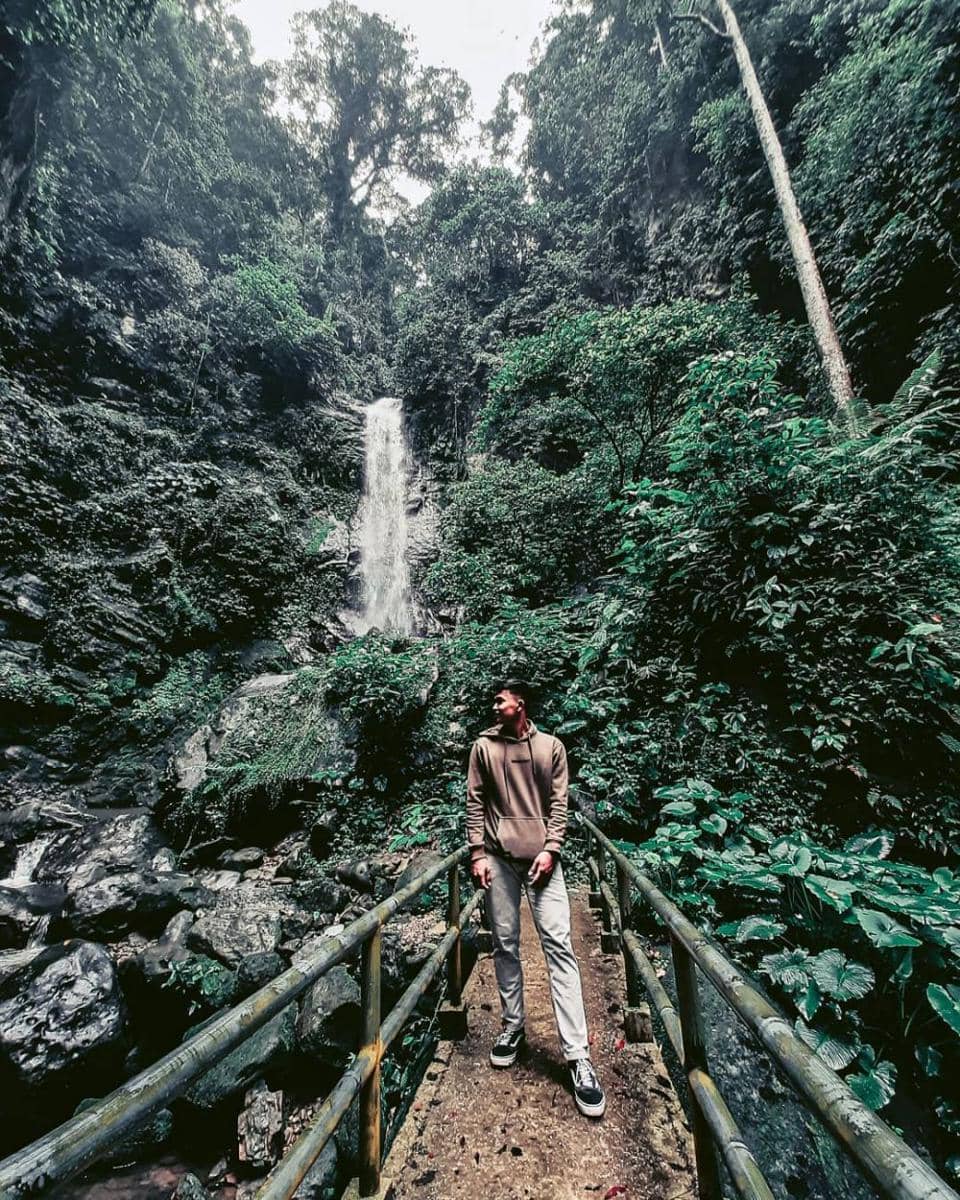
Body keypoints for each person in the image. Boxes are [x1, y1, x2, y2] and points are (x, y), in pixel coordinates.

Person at [466, 679, 606, 1118]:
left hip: (544, 861)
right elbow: (475, 801)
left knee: (559, 947)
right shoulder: (482, 749)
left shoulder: (551, 748)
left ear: (520, 703)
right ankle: (513, 1027)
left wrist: (552, 849)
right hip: (499, 860)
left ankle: (578, 1056)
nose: (494, 706)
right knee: (505, 944)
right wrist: (477, 853)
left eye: (500, 700)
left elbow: (559, 804)